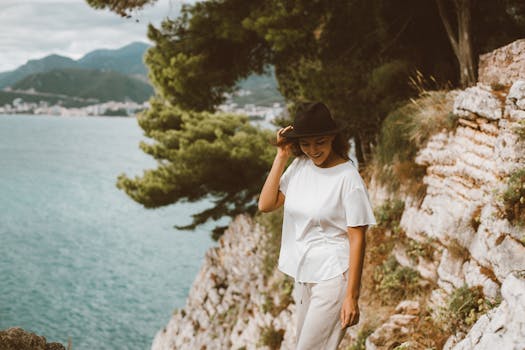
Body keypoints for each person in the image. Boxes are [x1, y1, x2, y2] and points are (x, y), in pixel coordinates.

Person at [258, 102, 377, 349]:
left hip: (334, 277)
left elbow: (357, 239)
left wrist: (351, 297)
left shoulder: (348, 179)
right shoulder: (300, 166)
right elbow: (266, 204)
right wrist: (281, 156)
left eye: (320, 142)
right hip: (304, 275)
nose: (313, 150)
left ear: (333, 137)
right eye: (305, 143)